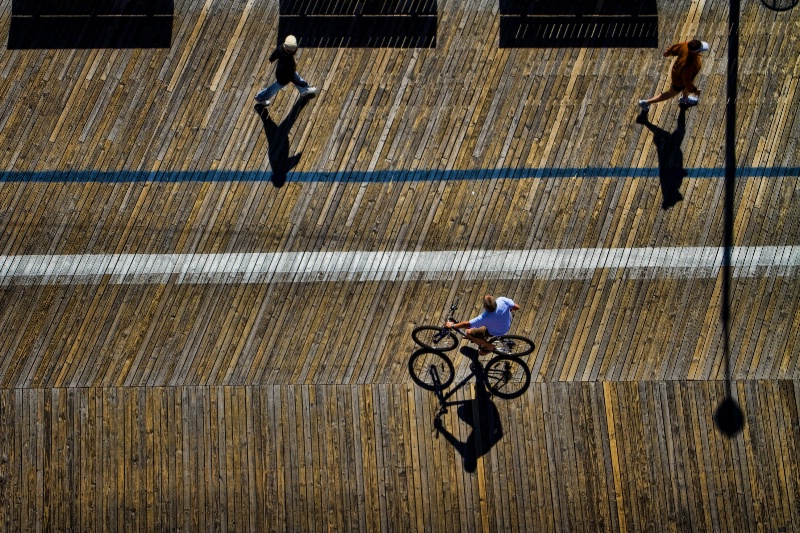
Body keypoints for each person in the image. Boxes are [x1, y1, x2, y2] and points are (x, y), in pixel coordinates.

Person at [638, 39, 709, 112]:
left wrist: (669, 51)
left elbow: (677, 47)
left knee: (686, 86)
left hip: (680, 75)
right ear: (695, 52)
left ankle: (684, 98)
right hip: (679, 81)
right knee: (670, 94)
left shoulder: (686, 45)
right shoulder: (689, 65)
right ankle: (646, 102)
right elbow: (686, 81)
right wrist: (694, 90)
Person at [254, 35, 317, 106]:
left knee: (294, 77)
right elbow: (291, 78)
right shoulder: (289, 62)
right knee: (276, 87)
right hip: (285, 76)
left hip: (281, 71)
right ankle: (261, 97)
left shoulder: (281, 49)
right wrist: (303, 84)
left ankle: (304, 90)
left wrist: (271, 59)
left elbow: (275, 53)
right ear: (295, 50)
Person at [445, 295, 520, 355]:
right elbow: (516, 307)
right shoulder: (502, 300)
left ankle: (488, 346)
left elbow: (467, 324)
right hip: (507, 323)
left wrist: (452, 325)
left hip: (496, 331)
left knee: (468, 332)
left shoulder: (484, 317)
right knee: (476, 326)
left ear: (485, 307)